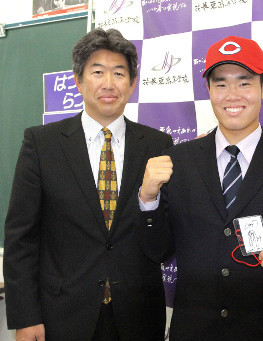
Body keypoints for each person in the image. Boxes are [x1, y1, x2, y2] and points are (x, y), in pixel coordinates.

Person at [138, 36, 263, 340]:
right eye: (221, 84)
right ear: (209, 91)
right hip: (195, 331)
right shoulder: (178, 161)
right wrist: (147, 198)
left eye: (244, 82)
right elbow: (159, 250)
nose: (232, 95)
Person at [4, 28, 172, 341]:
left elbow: (164, 241)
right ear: (79, 81)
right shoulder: (42, 144)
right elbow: (20, 239)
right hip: (62, 315)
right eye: (97, 72)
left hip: (138, 316)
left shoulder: (158, 145)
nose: (109, 83)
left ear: (132, 84)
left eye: (119, 73)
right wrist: (25, 317)